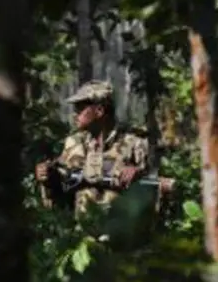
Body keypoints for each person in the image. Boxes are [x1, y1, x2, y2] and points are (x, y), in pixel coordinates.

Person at [34, 80, 151, 216]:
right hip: (80, 227)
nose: (75, 114)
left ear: (99, 111)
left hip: (122, 225)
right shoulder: (74, 143)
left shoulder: (134, 142)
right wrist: (47, 177)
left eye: (80, 108)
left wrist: (137, 172)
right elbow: (57, 195)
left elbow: (153, 188)